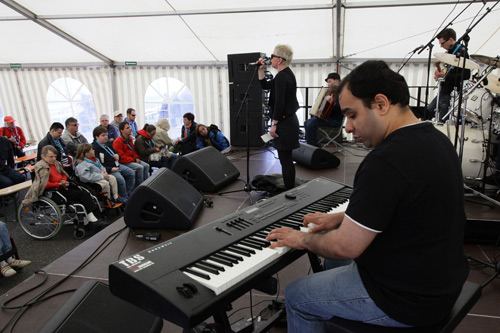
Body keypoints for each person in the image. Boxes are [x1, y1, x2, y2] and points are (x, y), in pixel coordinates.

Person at [266, 60, 469, 331]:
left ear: (381, 104)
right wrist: (341, 218)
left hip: (407, 300)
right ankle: (331, 310)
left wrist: (299, 238)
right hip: (441, 280)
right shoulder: (437, 140)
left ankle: (316, 310)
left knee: (296, 295)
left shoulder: (386, 161)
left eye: (352, 115)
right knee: (334, 258)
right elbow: (411, 207)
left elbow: (345, 247)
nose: (348, 127)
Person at [258, 44, 300, 190]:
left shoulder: (282, 77)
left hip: (284, 123)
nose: (271, 58)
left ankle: (289, 191)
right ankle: (290, 189)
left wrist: (274, 123)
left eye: (273, 56)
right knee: (286, 160)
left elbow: (280, 102)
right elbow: (265, 85)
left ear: (280, 60)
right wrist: (260, 70)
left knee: (286, 160)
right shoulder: (284, 74)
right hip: (287, 121)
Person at [23, 145, 99, 224]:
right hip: (53, 191)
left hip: (62, 186)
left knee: (83, 189)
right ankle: (91, 219)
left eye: (55, 157)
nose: (54, 159)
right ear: (43, 156)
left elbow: (63, 174)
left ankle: (89, 218)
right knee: (82, 195)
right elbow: (45, 184)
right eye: (51, 157)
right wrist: (59, 184)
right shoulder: (42, 168)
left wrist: (63, 180)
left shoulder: (55, 163)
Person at [427, 28, 471, 121]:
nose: (441, 46)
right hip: (444, 90)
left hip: (451, 93)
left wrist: (446, 76)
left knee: (441, 120)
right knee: (428, 111)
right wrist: (441, 73)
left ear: (451, 40)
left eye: (442, 43)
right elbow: (451, 70)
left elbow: (466, 74)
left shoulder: (462, 52)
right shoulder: (450, 52)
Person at [91, 126, 135, 200]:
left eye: (106, 135)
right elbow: (99, 164)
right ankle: (124, 198)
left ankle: (128, 193)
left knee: (131, 173)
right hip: (109, 169)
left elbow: (115, 153)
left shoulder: (107, 144)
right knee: (121, 180)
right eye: (103, 135)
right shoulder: (94, 148)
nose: (106, 137)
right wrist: (110, 169)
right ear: (96, 137)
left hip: (116, 165)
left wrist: (117, 156)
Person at [304, 73, 344, 146]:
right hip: (328, 118)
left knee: (311, 123)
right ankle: (312, 143)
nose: (328, 84)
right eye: (328, 82)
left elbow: (343, 110)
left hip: (336, 120)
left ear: (336, 81)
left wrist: (332, 103)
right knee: (306, 122)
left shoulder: (342, 93)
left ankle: (313, 146)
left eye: (329, 81)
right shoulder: (331, 92)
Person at [113, 122, 149, 187]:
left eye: (129, 127)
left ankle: (147, 185)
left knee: (146, 166)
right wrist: (134, 160)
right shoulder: (118, 141)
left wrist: (137, 157)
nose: (130, 129)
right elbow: (121, 158)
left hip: (131, 159)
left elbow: (134, 151)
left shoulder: (129, 139)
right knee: (140, 167)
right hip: (124, 162)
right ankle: (140, 187)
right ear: (122, 130)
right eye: (127, 128)